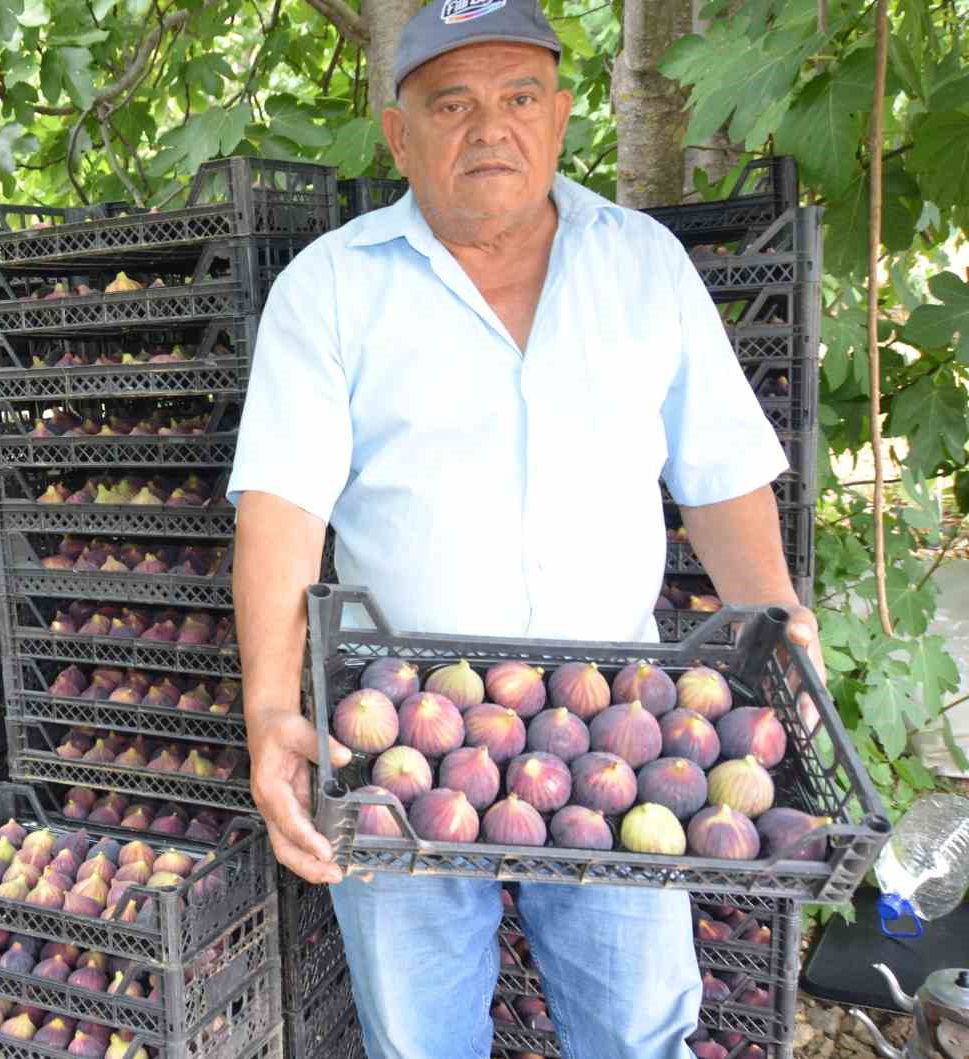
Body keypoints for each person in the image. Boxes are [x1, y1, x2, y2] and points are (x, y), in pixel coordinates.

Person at [227, 2, 824, 1057]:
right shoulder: (329, 287)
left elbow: (721, 473)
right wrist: (274, 709)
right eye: (450, 103)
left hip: (620, 723)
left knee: (639, 1032)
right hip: (397, 723)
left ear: (558, 117)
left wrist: (772, 614)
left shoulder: (640, 265)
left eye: (515, 97)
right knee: (418, 1040)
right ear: (397, 134)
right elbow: (282, 512)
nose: (487, 127)